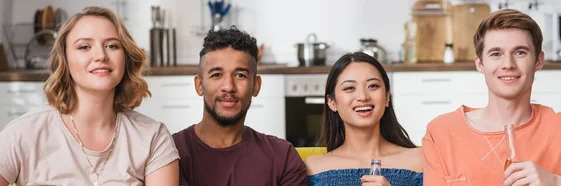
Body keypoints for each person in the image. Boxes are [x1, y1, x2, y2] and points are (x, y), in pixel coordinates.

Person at [0, 6, 180, 186]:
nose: (100, 55)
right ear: (65, 59)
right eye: (84, 47)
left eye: (112, 46)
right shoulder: (24, 133)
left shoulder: (153, 137)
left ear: (125, 57)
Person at [422, 9, 561, 186]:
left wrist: (556, 182)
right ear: (480, 64)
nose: (508, 64)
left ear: (538, 61)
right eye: (496, 54)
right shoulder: (441, 133)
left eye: (520, 52)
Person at [171, 27, 308, 186]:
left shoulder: (283, 158)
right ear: (199, 85)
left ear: (256, 86)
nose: (228, 86)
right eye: (217, 75)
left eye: (240, 75)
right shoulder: (170, 153)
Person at [304, 52, 423, 186]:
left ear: (387, 97)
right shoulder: (311, 168)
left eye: (373, 86)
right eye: (349, 88)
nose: (363, 96)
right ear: (332, 102)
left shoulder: (421, 161)